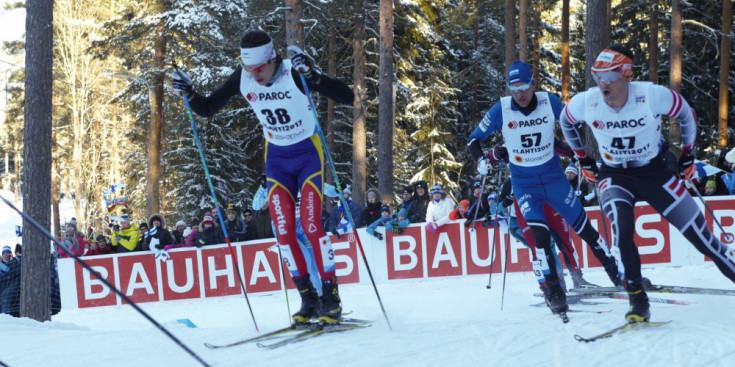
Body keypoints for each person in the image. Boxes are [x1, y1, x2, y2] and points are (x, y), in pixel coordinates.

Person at [172, 29, 355, 324]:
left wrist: (314, 76)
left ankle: (331, 300)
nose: (254, 75)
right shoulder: (242, 78)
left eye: (259, 68)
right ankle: (308, 300)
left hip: (308, 154)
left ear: (272, 59)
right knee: (283, 234)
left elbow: (348, 96)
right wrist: (189, 93)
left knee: (311, 226)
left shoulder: (292, 74)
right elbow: (207, 108)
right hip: (277, 162)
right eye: (249, 69)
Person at [559, 44, 735, 322]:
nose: (603, 85)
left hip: (654, 173)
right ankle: (638, 301)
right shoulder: (587, 101)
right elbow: (565, 122)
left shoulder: (651, 95)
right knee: (621, 231)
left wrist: (688, 155)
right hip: (614, 175)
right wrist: (583, 158)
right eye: (597, 77)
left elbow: (686, 114)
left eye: (610, 78)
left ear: (626, 74)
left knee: (703, 240)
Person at [467, 60, 622, 316]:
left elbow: (572, 124)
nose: (520, 94)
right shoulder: (501, 109)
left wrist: (580, 153)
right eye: (514, 88)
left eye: (525, 87)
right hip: (525, 185)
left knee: (585, 229)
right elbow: (474, 139)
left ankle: (617, 275)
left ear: (533, 84)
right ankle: (553, 290)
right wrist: (482, 159)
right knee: (540, 239)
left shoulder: (548, 102)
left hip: (554, 180)